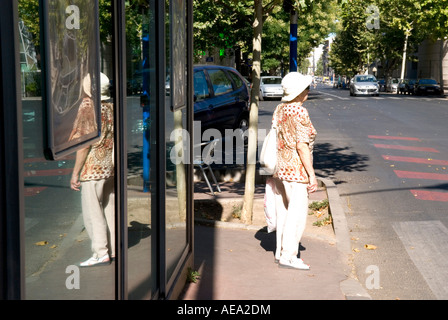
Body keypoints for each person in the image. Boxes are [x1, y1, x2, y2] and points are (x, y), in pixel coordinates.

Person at [271, 72, 317, 270]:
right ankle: (289, 256)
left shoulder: (280, 109)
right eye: (306, 88)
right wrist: (312, 175)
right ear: (298, 93)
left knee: (283, 212)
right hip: (297, 171)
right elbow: (302, 146)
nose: (308, 91)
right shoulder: (300, 112)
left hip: (280, 169)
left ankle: (280, 251)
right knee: (296, 215)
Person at [70, 73, 115, 267]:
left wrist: (74, 174)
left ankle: (100, 252)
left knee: (92, 212)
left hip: (92, 168)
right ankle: (112, 248)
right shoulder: (110, 106)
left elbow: (83, 145)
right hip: (108, 165)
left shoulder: (88, 107)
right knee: (109, 209)